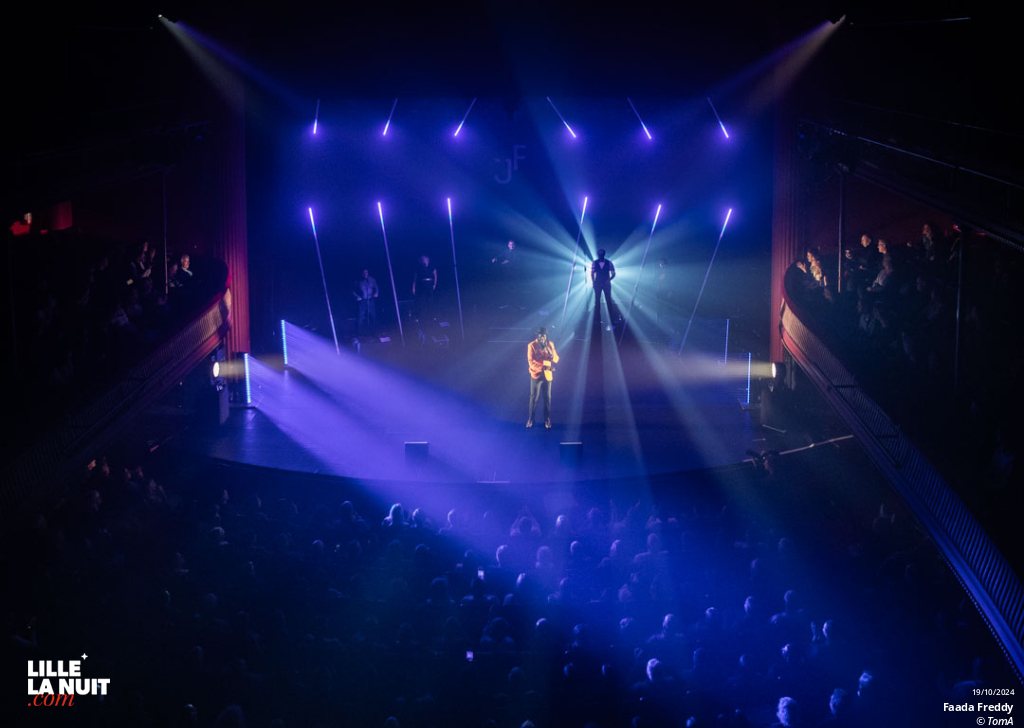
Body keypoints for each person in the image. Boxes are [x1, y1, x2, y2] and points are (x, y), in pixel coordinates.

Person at [527, 326, 558, 429]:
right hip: (537, 374)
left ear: (546, 336)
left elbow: (557, 359)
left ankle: (547, 419)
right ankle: (531, 419)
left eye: (543, 336)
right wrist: (544, 367)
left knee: (547, 398)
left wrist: (550, 353)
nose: (542, 338)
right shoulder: (531, 345)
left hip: (547, 375)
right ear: (537, 336)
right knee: (534, 398)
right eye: (540, 336)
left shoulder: (550, 345)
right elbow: (531, 363)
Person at [591, 249, 616, 325]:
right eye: (599, 254)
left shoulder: (609, 263)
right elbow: (592, 273)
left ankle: (610, 319)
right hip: (598, 283)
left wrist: (609, 279)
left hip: (606, 284)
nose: (601, 255)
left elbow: (613, 273)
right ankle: (597, 320)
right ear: (598, 255)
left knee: (608, 301)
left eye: (602, 254)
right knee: (597, 302)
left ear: (604, 254)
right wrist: (594, 282)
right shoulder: (594, 263)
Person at [353, 269, 379, 334]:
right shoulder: (358, 281)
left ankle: (375, 332)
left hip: (371, 300)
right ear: (362, 273)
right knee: (360, 317)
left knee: (373, 316)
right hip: (363, 301)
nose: (365, 274)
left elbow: (376, 287)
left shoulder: (372, 280)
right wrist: (357, 296)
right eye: (364, 272)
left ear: (368, 273)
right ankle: (359, 333)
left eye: (366, 272)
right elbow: (353, 290)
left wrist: (376, 293)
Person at [412, 255, 437, 321]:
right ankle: (418, 316)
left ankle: (432, 315)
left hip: (429, 284)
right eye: (423, 259)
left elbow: (435, 275)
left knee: (430, 300)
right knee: (420, 301)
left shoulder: (432, 267)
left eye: (425, 259)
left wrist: (434, 284)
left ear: (428, 260)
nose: (424, 260)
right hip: (422, 285)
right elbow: (415, 278)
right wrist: (413, 287)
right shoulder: (418, 268)